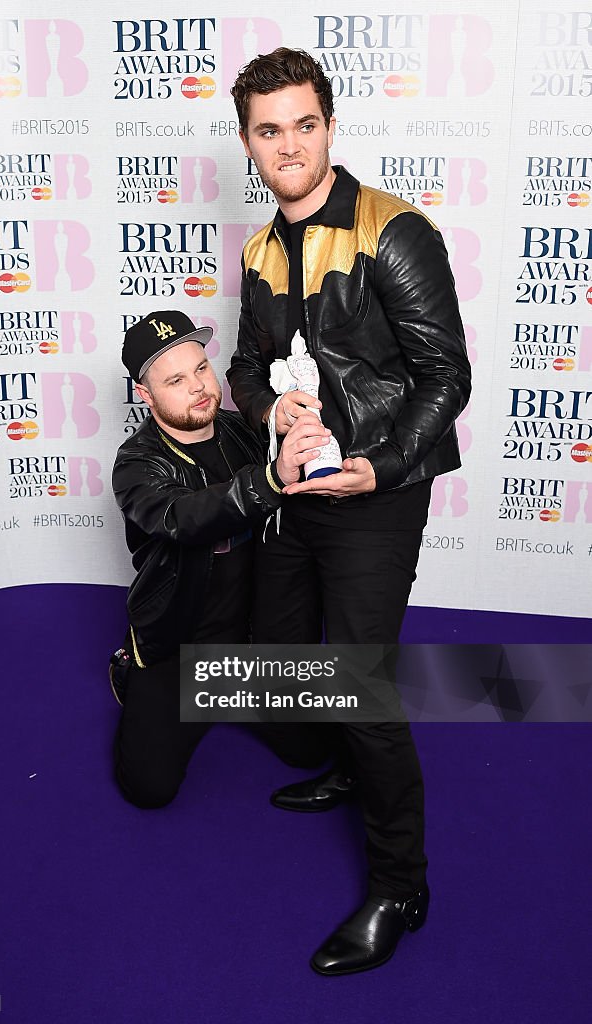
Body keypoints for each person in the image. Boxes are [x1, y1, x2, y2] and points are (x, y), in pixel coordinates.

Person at [228, 48, 472, 975]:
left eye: (304, 123)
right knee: (288, 644)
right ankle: (342, 764)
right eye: (268, 128)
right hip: (296, 488)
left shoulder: (393, 231)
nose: (288, 144)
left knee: (365, 684)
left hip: (379, 491)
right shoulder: (258, 250)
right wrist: (268, 410)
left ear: (329, 125)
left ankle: (400, 884)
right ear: (248, 141)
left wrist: (378, 464)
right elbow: (249, 369)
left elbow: (447, 377)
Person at [111, 308, 331, 809]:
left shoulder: (245, 431)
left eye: (202, 369)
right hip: (183, 647)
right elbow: (183, 517)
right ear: (145, 395)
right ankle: (132, 671)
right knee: (149, 789)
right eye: (174, 379)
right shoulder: (137, 463)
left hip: (259, 639)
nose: (197, 386)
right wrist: (272, 479)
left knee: (312, 752)